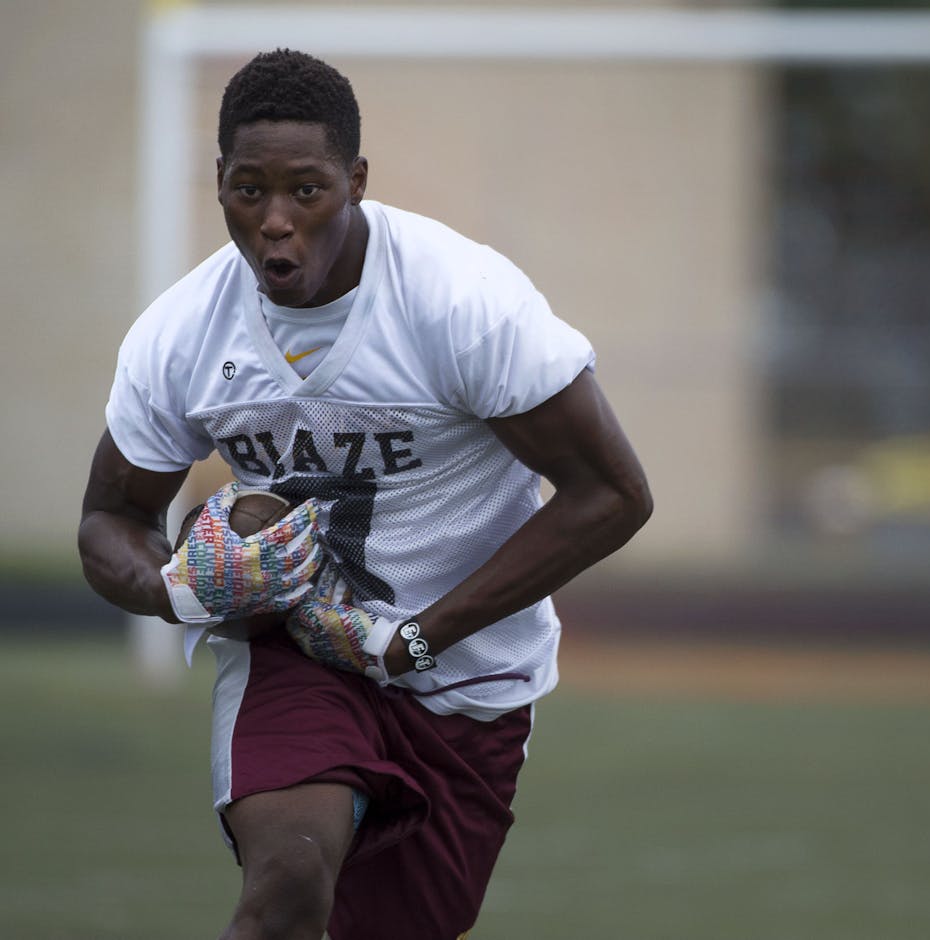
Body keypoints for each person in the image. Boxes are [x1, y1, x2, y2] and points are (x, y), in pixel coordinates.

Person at [77, 49, 652, 940]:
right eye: (246, 190)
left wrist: (414, 639)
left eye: (305, 191)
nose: (274, 222)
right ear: (217, 182)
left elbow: (611, 495)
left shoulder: (464, 301)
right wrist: (180, 589)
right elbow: (110, 519)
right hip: (299, 648)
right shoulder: (183, 332)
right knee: (287, 887)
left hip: (469, 671)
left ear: (355, 180)